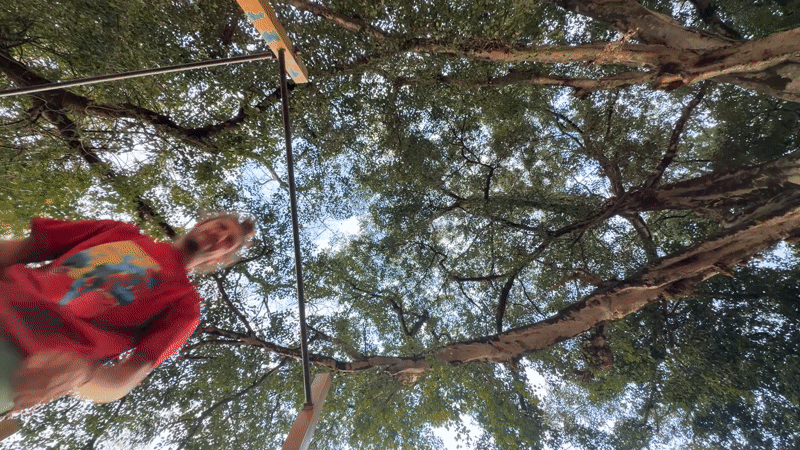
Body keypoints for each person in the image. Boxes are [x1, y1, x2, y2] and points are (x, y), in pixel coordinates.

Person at [0, 213, 255, 415]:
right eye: (221, 226)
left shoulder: (186, 305)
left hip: (22, 359)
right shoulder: (118, 231)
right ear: (202, 223)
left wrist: (82, 373)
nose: (220, 236)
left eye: (228, 243)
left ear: (218, 259)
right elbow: (22, 249)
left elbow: (126, 378)